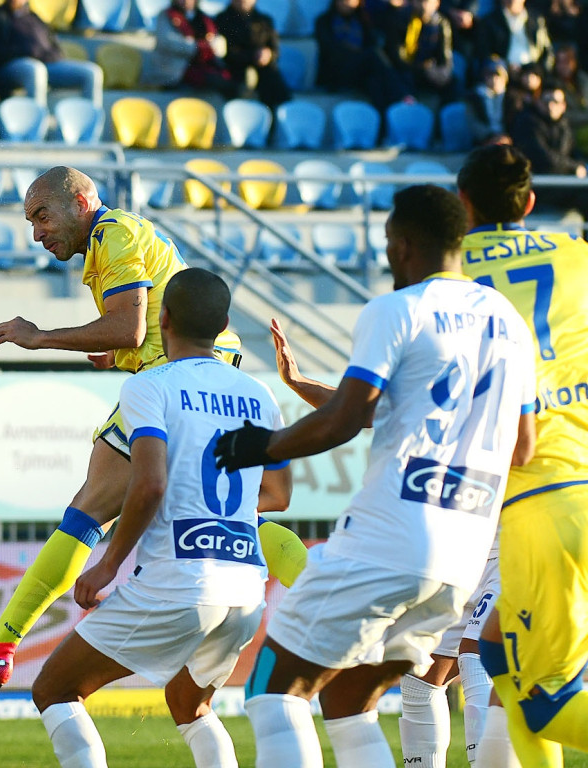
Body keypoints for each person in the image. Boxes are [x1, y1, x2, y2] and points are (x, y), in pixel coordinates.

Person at [0, 166, 308, 687]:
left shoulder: (112, 233)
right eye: (30, 222)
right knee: (230, 511)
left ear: (82, 202)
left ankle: (1, 643)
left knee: (88, 510)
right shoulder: (119, 238)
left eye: (42, 216)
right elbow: (140, 329)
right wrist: (118, 355)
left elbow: (128, 325)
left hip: (175, 377)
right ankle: (319, 595)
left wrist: (38, 336)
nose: (36, 232)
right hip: (219, 373)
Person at [216, 183, 538, 768]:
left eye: (389, 245)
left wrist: (259, 445)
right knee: (348, 697)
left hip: (386, 541)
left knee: (271, 693)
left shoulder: (397, 310)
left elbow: (347, 418)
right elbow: (523, 446)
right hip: (463, 558)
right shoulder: (508, 321)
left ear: (403, 243)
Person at [32, 268, 293, 768]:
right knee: (189, 704)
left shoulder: (149, 387)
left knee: (56, 689)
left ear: (164, 318)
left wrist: (107, 566)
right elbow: (276, 495)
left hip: (178, 581)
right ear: (224, 325)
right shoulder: (259, 394)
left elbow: (149, 483)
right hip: (244, 587)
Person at [270, 313, 504, 767]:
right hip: (455, 540)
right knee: (421, 679)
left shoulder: (511, 369)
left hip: (507, 535)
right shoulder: (443, 378)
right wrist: (297, 381)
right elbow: (360, 411)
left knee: (481, 658)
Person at [455, 143, 588, 768]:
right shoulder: (576, 254)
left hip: (538, 494)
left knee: (549, 704)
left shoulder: (449, 273)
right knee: (500, 656)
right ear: (531, 203)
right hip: (575, 473)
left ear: (462, 203)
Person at [0, 0, 104, 108]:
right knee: (36, 69)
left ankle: (89, 122)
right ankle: (36, 122)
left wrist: (51, 56)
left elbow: (54, 44)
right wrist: (29, 54)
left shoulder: (33, 16)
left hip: (47, 63)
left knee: (92, 73)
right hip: (15, 65)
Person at [509, 81, 588, 214]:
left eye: (555, 101)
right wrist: (574, 167)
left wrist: (582, 166)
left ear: (563, 106)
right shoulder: (527, 122)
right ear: (538, 102)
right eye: (546, 101)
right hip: (539, 187)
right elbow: (544, 159)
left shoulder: (564, 125)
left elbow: (573, 152)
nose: (551, 106)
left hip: (560, 183)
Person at [314, 0, 405, 107]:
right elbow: (330, 51)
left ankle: (384, 117)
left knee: (374, 82)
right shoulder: (323, 21)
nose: (347, 3)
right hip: (334, 74)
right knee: (373, 56)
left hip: (359, 72)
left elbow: (371, 43)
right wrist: (356, 54)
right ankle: (402, 95)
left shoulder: (362, 22)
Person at [215, 0, 294, 108]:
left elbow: (275, 50)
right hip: (236, 70)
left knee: (277, 90)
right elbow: (226, 52)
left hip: (265, 71)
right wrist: (252, 56)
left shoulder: (265, 21)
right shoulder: (221, 19)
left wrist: (268, 55)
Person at [155, 0, 237, 97]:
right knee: (213, 80)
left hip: (203, 63)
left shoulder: (204, 18)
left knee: (229, 80)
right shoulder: (166, 16)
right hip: (178, 67)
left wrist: (212, 46)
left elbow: (218, 41)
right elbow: (167, 41)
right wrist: (197, 47)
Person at [384, 0, 461, 103]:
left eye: (428, 2)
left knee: (453, 83)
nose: (424, 6)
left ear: (437, 3)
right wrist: (424, 68)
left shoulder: (441, 23)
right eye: (420, 1)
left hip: (429, 71)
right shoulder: (402, 18)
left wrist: (442, 72)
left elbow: (445, 55)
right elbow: (397, 56)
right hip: (407, 70)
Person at [475, 0, 554, 74]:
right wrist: (504, 66)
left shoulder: (537, 20)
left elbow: (547, 51)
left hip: (532, 73)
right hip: (502, 74)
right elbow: (484, 53)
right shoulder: (490, 22)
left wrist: (540, 72)